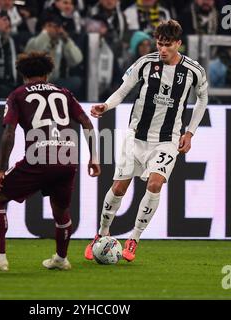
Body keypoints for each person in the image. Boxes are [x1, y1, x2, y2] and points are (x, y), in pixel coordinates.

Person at [84, 20, 208, 262]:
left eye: (167, 45)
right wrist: (106, 106)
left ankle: (134, 239)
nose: (162, 49)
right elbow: (123, 89)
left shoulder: (194, 71)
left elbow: (202, 99)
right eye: (159, 44)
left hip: (167, 139)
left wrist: (190, 132)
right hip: (136, 136)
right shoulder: (145, 63)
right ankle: (101, 235)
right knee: (119, 188)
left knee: (154, 184)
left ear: (178, 44)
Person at [0, 51, 101, 272]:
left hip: (39, 157)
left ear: (23, 74)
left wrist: (1, 170)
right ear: (47, 73)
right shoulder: (63, 92)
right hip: (67, 159)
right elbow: (87, 123)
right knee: (61, 210)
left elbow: (9, 133)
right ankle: (61, 259)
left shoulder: (18, 94)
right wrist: (94, 157)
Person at [25, 14, 83, 98]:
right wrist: (45, 34)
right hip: (36, 83)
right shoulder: (33, 41)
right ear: (43, 28)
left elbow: (77, 59)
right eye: (50, 26)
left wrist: (67, 40)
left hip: (56, 83)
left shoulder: (62, 43)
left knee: (76, 81)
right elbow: (36, 53)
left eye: (56, 27)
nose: (54, 29)